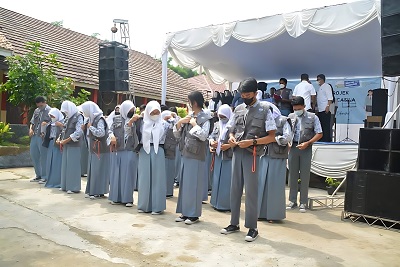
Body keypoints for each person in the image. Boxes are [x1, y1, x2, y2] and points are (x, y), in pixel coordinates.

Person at [220, 77, 277, 242]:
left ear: (256, 93)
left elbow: (271, 137)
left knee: (251, 192)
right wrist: (231, 138)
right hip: (237, 153)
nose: (244, 97)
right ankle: (233, 223)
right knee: (234, 189)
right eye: (242, 94)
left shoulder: (265, 109)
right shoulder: (238, 108)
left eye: (248, 94)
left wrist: (252, 142)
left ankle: (253, 227)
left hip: (252, 155)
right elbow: (231, 129)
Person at [174, 91, 211, 225]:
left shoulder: (205, 118)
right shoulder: (189, 116)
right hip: (185, 152)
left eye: (189, 101)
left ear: (194, 102)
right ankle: (185, 212)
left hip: (196, 154)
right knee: (185, 184)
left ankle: (193, 214)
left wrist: (195, 125)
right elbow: (178, 135)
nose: (188, 104)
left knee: (194, 185)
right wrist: (179, 123)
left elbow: (204, 136)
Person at [287, 96, 323, 212]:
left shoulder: (313, 117)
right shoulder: (290, 117)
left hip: (306, 147)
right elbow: (286, 131)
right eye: (294, 108)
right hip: (293, 147)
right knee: (292, 174)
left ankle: (303, 202)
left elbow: (319, 133)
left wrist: (308, 143)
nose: (296, 110)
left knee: (304, 175)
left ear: (304, 106)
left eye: (298, 108)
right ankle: (292, 200)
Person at [258, 107, 292, 222]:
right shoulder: (265, 121)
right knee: (261, 184)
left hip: (277, 156)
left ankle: (273, 215)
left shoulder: (283, 120)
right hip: (264, 155)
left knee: (274, 185)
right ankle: (260, 213)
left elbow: (287, 137)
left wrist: (273, 139)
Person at [137, 101, 169, 214]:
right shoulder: (142, 123)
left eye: (157, 111)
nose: (155, 114)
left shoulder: (164, 124)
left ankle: (157, 207)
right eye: (152, 112)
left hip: (158, 151)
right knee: (144, 179)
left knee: (158, 179)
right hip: (144, 150)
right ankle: (144, 205)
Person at [108, 100, 139, 207]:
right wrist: (111, 136)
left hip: (130, 150)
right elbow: (109, 130)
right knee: (117, 174)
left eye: (133, 110)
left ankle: (128, 199)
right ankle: (115, 197)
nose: (132, 111)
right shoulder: (115, 118)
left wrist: (132, 122)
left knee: (129, 175)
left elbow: (133, 134)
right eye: (130, 109)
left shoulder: (136, 120)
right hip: (118, 149)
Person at [81, 101, 110, 199]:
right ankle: (93, 190)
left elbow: (101, 133)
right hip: (94, 149)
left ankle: (98, 191)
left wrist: (90, 127)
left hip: (100, 150)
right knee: (93, 170)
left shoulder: (99, 119)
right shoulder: (91, 119)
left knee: (98, 170)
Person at [209, 104, 233, 211]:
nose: (222, 119)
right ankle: (215, 202)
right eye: (220, 116)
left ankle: (225, 204)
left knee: (226, 181)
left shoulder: (233, 125)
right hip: (218, 155)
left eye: (224, 117)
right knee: (216, 179)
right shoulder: (217, 124)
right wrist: (211, 142)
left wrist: (228, 146)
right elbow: (212, 136)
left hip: (229, 156)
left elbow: (237, 140)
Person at [58, 101, 83, 194]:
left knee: (73, 165)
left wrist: (67, 140)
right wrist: (60, 139)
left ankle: (73, 187)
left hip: (74, 144)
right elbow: (64, 129)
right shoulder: (68, 117)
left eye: (66, 111)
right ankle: (65, 185)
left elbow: (78, 132)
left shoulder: (79, 116)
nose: (66, 113)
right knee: (66, 165)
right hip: (66, 144)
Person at [29, 96, 51, 182]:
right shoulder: (36, 111)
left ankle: (45, 176)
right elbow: (32, 122)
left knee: (43, 156)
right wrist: (31, 129)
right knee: (34, 154)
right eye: (38, 105)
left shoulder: (50, 111)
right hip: (35, 135)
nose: (39, 107)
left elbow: (53, 123)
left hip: (43, 136)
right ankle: (38, 174)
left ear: (45, 102)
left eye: (41, 105)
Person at [42, 108, 64, 188]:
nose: (52, 117)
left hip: (58, 144)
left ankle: (58, 182)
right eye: (50, 116)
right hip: (51, 143)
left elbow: (66, 131)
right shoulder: (51, 123)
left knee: (57, 163)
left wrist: (61, 125)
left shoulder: (62, 122)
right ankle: (50, 180)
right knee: (50, 162)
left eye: (53, 116)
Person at [162, 110, 178, 198]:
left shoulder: (172, 123)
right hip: (164, 150)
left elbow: (177, 126)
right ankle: (165, 191)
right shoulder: (162, 123)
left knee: (170, 172)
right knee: (165, 172)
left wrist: (173, 118)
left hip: (171, 150)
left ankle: (168, 191)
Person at [316, 74, 333, 142]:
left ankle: (327, 139)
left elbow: (330, 97)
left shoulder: (327, 86)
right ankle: (321, 139)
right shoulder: (320, 88)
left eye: (318, 79)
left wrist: (328, 106)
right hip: (320, 110)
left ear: (322, 79)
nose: (317, 81)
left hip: (325, 109)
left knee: (326, 126)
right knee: (321, 125)